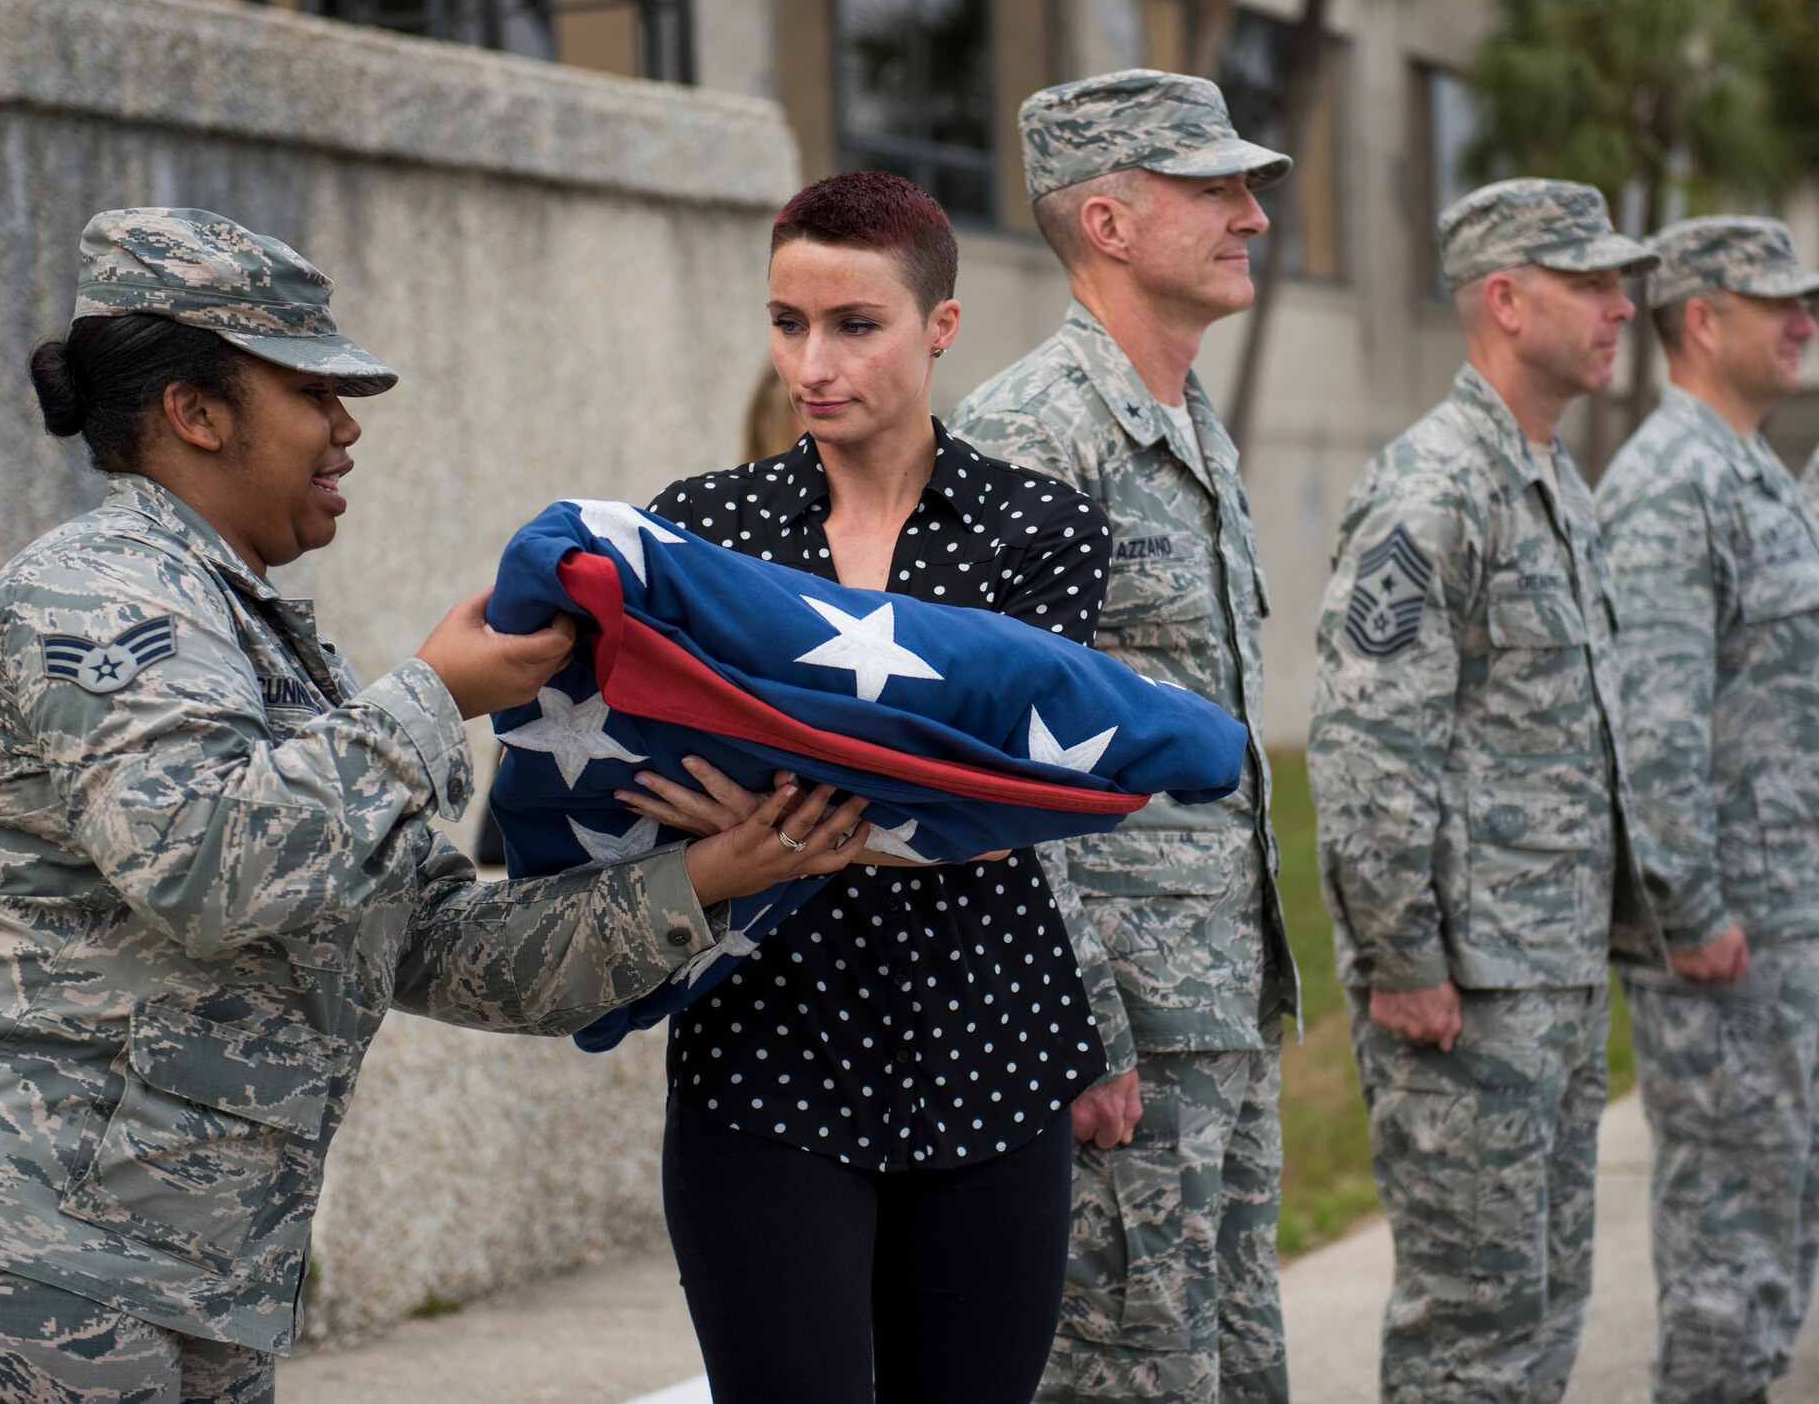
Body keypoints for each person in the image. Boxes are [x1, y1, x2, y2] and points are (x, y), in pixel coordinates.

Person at [0, 207, 864, 1404]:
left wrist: (709, 876)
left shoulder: (243, 628)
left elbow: (444, 943)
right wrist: (432, 700)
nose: (345, 427)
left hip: (164, 1260)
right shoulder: (100, 596)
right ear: (196, 412)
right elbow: (205, 866)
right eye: (310, 390)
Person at [614, 170, 1115, 1404]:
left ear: (939, 326)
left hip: (991, 1044)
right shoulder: (696, 534)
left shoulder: (1037, 529)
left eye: (854, 325)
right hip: (763, 1051)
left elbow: (1003, 803)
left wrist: (762, 815)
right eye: (787, 323)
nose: (812, 362)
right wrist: (897, 789)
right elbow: (643, 780)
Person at [948, 69, 1299, 1404]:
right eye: (1214, 188)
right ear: (1107, 220)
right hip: (1126, 1041)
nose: (1251, 216)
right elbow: (989, 770)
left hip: (1215, 1017)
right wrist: (1082, 1032)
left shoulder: (1187, 422)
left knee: (1235, 1371)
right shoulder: (1034, 434)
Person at [1307, 178, 1664, 1403]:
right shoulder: (1434, 490)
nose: (1624, 305)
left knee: (1543, 1313)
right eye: (1593, 281)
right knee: (1471, 1333)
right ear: (1506, 301)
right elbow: (1364, 742)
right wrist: (1403, 955)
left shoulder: (1548, 483)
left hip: (1549, 974)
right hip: (1465, 990)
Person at [1595, 216, 1819, 1404]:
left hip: (1786, 919)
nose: (1802, 321)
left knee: (1776, 1231)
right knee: (1730, 1255)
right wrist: (1690, 908)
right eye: (1774, 301)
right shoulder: (1671, 486)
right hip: (1731, 940)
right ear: (1699, 318)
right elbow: (1654, 723)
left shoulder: (1752, 474)